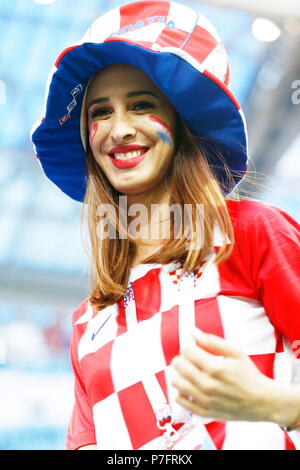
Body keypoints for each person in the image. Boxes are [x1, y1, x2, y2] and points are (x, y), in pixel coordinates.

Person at [31, 0, 300, 450]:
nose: (118, 129)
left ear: (182, 122)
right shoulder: (86, 323)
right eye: (99, 112)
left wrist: (274, 404)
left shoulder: (251, 233)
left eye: (140, 105)